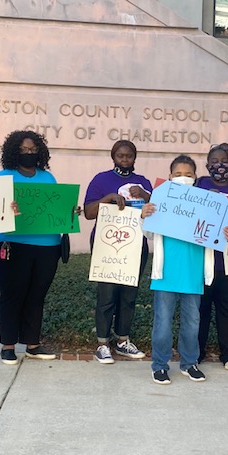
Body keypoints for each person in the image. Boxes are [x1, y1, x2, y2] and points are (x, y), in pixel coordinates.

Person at [141, 155, 228, 385]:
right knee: (162, 323)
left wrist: (226, 233)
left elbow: (217, 234)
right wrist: (145, 216)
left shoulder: (207, 204)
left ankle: (189, 363)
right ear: (170, 176)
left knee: (192, 323)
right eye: (178, 174)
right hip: (166, 275)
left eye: (189, 175)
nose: (183, 178)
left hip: (193, 275)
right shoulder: (160, 200)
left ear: (196, 177)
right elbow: (149, 233)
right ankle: (160, 365)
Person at [0, 130, 63, 365]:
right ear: (14, 151)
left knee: (36, 295)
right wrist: (5, 208)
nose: (29, 153)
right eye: (23, 150)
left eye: (33, 150)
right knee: (12, 294)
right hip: (11, 243)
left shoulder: (48, 177)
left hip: (47, 244)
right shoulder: (3, 176)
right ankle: (8, 345)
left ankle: (32, 344)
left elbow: (55, 207)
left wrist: (68, 211)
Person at [84, 140, 152, 364]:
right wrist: (108, 199)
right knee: (107, 294)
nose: (125, 160)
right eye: (120, 156)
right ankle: (102, 344)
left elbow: (158, 210)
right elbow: (88, 212)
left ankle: (123, 340)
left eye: (129, 156)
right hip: (107, 245)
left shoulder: (143, 182)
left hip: (135, 245)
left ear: (135, 157)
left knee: (128, 295)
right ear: (113, 156)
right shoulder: (101, 179)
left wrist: (145, 194)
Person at [196, 143, 228, 371]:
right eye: (214, 161)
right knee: (202, 307)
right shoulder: (199, 185)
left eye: (225, 160)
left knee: (227, 307)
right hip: (203, 258)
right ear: (207, 165)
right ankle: (196, 351)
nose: (219, 165)